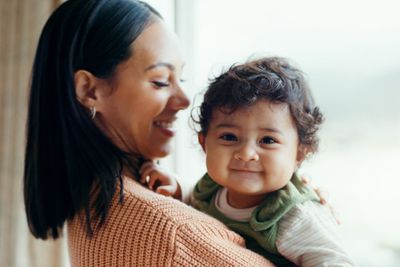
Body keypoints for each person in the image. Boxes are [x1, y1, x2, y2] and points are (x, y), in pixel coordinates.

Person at [23, 0, 278, 266]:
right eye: (160, 81)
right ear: (89, 90)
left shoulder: (93, 205)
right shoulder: (171, 232)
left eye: (182, 80)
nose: (184, 99)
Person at [141, 57, 355, 266]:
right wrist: (178, 188)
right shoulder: (211, 188)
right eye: (229, 137)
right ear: (204, 143)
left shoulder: (294, 217)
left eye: (268, 140)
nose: (245, 153)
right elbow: (197, 200)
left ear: (299, 154)